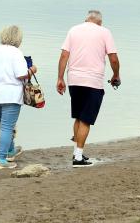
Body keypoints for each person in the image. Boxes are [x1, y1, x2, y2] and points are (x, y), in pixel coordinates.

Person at [56, 9, 120, 168]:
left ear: (86, 20)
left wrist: (60, 78)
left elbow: (64, 55)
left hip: (74, 80)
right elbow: (113, 58)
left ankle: (76, 152)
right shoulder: (104, 32)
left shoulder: (73, 30)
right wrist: (116, 75)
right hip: (93, 81)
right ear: (100, 22)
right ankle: (77, 158)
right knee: (86, 119)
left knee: (78, 117)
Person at [0, 25, 37, 169]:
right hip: (10, 94)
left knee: (5, 125)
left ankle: (10, 151)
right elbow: (21, 74)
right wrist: (32, 70)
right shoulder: (16, 52)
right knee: (7, 127)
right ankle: (2, 160)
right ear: (18, 39)